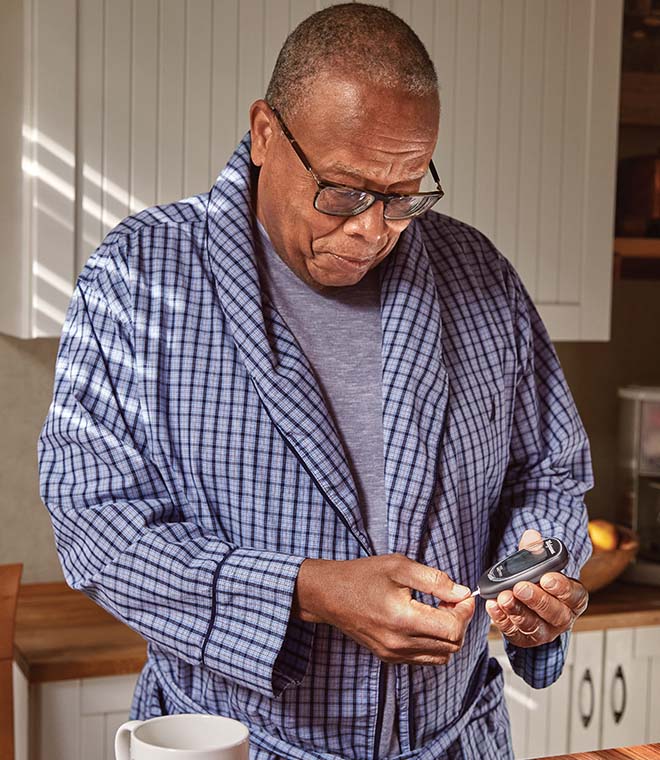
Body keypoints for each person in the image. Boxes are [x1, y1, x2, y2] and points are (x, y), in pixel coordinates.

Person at [38, 4, 592, 759]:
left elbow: (551, 474)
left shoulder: (479, 277)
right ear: (267, 133)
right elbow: (94, 526)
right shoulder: (140, 279)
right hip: (232, 742)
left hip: (456, 741)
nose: (372, 228)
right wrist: (309, 591)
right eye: (344, 190)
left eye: (402, 195)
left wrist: (536, 583)